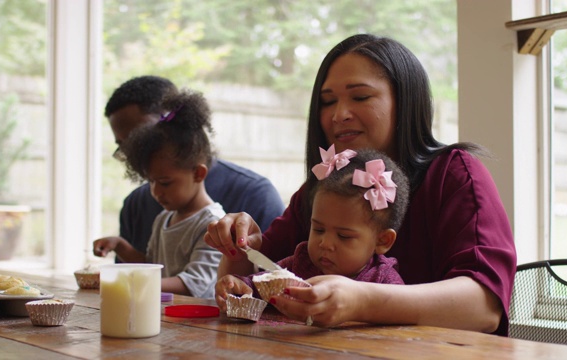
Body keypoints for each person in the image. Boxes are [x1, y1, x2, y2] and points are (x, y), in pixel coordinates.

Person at [204, 34, 517, 335]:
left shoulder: (455, 175)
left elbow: (484, 307)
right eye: (327, 102)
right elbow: (257, 278)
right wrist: (238, 246)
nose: (339, 115)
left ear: (405, 101)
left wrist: (362, 300)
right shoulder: (325, 187)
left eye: (360, 97)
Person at [96, 76, 285, 262]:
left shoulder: (255, 195)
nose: (137, 150)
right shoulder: (136, 206)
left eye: (142, 136)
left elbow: (274, 278)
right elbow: (137, 278)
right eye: (125, 145)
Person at [215, 148, 409, 310]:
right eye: (318, 230)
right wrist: (239, 285)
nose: (325, 243)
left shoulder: (385, 282)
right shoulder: (300, 265)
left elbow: (401, 320)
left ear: (382, 241)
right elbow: (260, 285)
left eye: (343, 236)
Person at [93, 89, 224, 299]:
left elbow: (194, 283)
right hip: (167, 318)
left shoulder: (214, 225)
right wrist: (120, 246)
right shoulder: (164, 218)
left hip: (198, 324)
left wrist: (132, 281)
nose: (155, 191)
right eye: (151, 181)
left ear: (198, 174)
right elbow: (151, 268)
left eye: (164, 182)